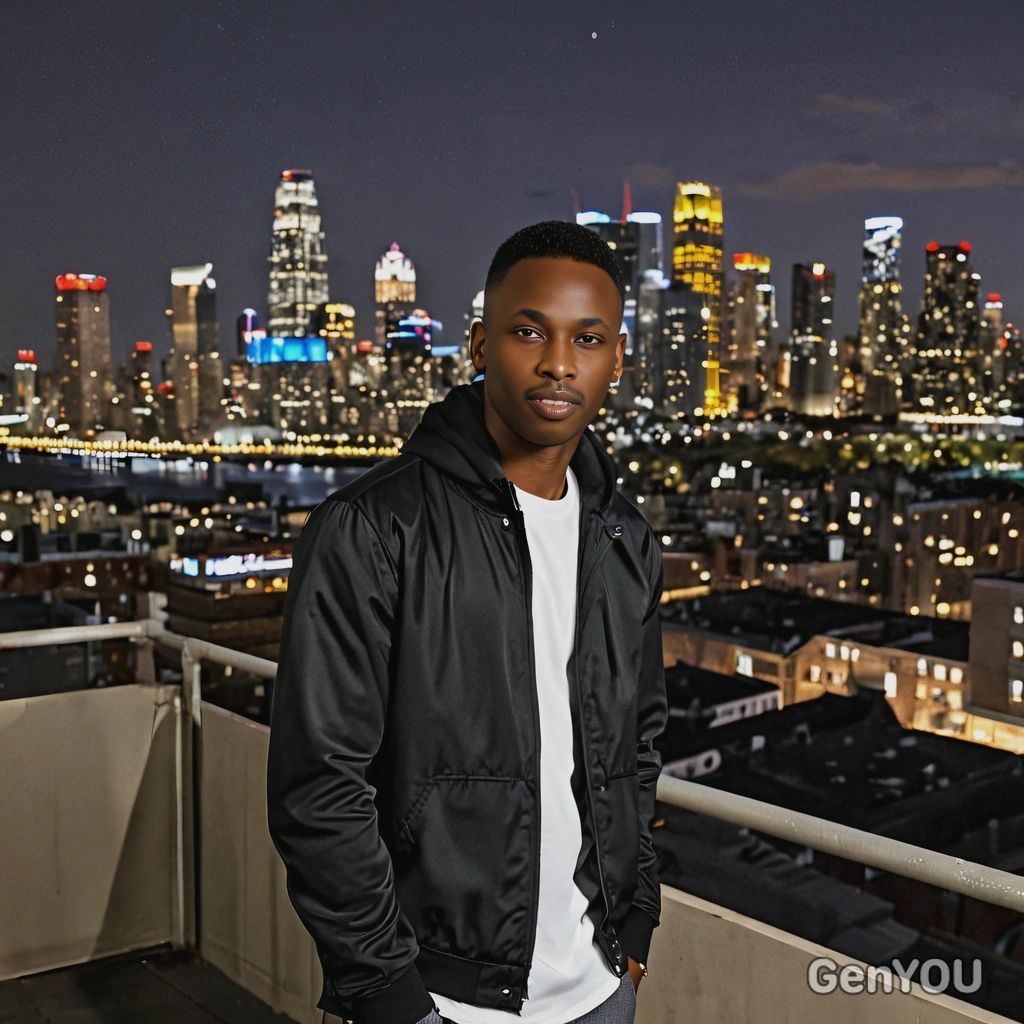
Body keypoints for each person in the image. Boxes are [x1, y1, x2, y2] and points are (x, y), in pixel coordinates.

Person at [267, 220, 667, 1024]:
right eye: (529, 331)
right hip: (441, 997)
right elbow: (319, 786)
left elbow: (638, 745)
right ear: (481, 345)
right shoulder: (375, 527)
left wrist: (638, 918)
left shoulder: (627, 539)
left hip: (600, 989)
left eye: (587, 339)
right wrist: (389, 995)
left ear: (617, 360)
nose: (559, 363)